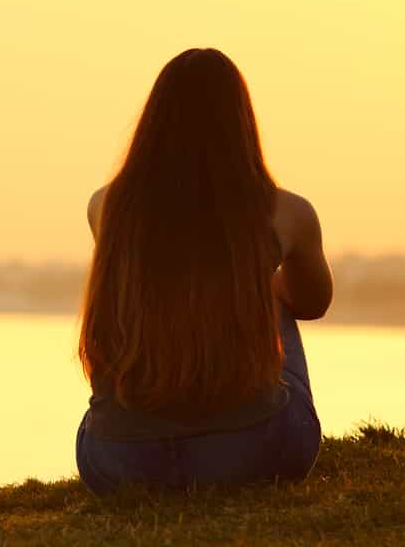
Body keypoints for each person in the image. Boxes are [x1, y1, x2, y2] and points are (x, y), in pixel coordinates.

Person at [75, 48, 333, 491]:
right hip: (251, 454)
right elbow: (311, 302)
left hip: (120, 463)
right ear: (242, 125)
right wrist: (258, 279)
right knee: (271, 294)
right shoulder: (285, 214)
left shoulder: (108, 207)